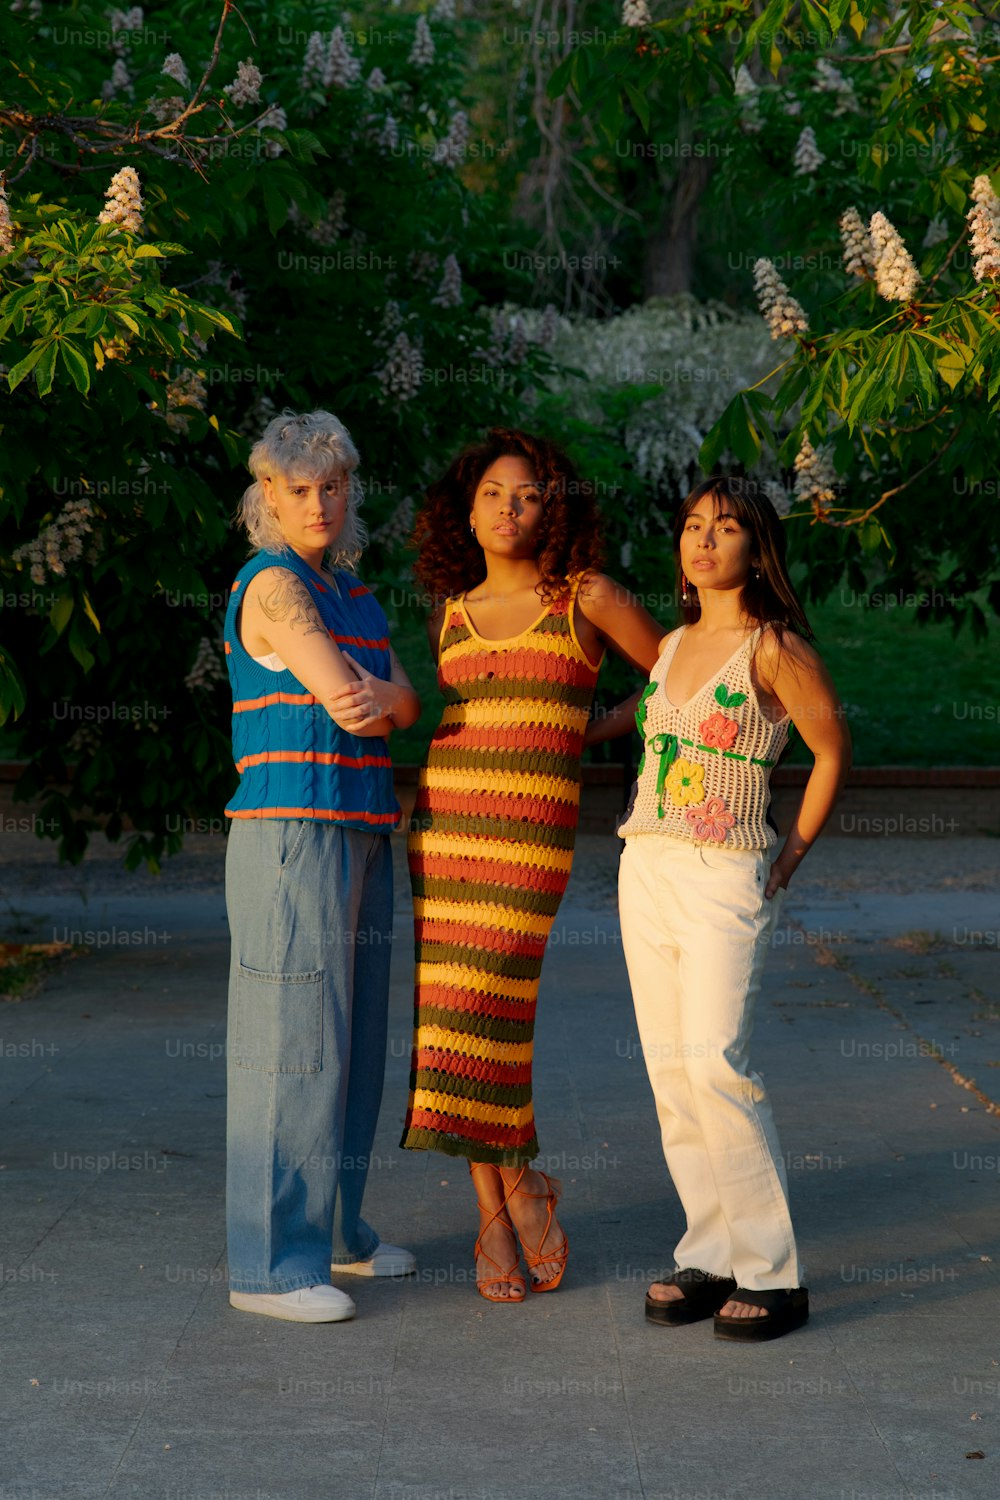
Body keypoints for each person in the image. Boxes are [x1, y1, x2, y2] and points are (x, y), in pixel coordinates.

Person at [399, 426, 665, 1301]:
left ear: (554, 506)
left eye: (527, 494)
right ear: (466, 511)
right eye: (492, 495)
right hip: (446, 829)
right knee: (451, 1022)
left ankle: (519, 1188)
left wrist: (592, 729)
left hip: (530, 839)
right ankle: (498, 1203)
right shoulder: (451, 608)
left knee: (492, 1012)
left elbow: (676, 674)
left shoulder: (582, 594)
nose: (508, 508)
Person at [602, 474, 850, 1342]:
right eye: (694, 525)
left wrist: (792, 853)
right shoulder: (669, 647)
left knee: (717, 1064)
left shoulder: (773, 648)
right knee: (672, 1071)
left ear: (757, 548)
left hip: (725, 873)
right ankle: (707, 1251)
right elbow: (644, 722)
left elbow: (829, 749)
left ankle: (773, 1274)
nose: (706, 539)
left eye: (729, 527)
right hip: (647, 866)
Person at [222, 410, 421, 1323]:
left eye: (332, 485)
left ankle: (340, 1235)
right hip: (291, 832)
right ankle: (269, 1269)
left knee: (356, 1047)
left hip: (365, 829)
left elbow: (404, 701)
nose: (319, 502)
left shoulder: (350, 591)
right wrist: (389, 701)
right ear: (269, 496)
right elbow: (356, 703)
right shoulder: (271, 587)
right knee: (292, 1045)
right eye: (299, 488)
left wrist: (390, 701)